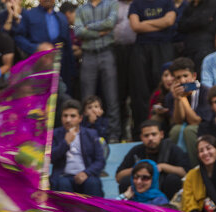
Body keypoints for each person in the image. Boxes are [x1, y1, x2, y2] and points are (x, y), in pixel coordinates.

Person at [128, 0, 176, 140]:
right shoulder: (136, 4)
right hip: (141, 50)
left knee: (163, 88)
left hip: (163, 47)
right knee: (140, 92)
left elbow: (169, 21)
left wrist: (145, 24)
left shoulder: (167, 2)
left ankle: (163, 132)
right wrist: (159, 23)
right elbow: (135, 26)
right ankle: (142, 133)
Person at [74, 0, 121, 142]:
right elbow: (78, 31)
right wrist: (101, 32)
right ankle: (86, 132)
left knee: (112, 96)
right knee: (86, 97)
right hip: (88, 55)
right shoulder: (81, 9)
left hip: (107, 52)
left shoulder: (112, 4)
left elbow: (110, 23)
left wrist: (89, 28)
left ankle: (114, 135)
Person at [116, 119, 190, 199]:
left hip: (165, 192)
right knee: (125, 181)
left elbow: (185, 173)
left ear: (161, 134)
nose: (150, 138)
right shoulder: (136, 150)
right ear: (141, 137)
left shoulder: (172, 149)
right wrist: (138, 169)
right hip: (140, 194)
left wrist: (163, 167)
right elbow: (119, 177)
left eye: (154, 134)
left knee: (173, 180)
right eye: (146, 135)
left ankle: (170, 209)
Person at [14, 0, 76, 89]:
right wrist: (36, 48)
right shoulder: (29, 15)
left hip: (60, 70)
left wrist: (72, 71)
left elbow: (68, 46)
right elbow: (18, 38)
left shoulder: (62, 18)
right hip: (38, 68)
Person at [50, 99, 105, 196]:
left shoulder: (91, 134)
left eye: (72, 116)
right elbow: (51, 158)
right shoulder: (55, 134)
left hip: (86, 175)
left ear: (80, 118)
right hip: (63, 176)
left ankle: (94, 211)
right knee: (63, 184)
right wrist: (65, 143)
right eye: (65, 116)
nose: (68, 120)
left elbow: (100, 160)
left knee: (93, 183)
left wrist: (86, 173)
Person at [164, 57, 213, 166]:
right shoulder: (171, 96)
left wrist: (183, 98)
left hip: (206, 128)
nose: (182, 81)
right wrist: (177, 99)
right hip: (184, 127)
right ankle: (178, 166)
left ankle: (196, 167)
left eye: (185, 76)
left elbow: (196, 121)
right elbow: (178, 121)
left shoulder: (205, 92)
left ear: (194, 76)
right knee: (175, 130)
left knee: (190, 130)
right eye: (178, 77)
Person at [113, 0, 136, 141]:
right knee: (118, 94)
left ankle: (137, 131)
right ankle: (119, 133)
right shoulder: (111, 5)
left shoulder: (139, 4)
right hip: (115, 52)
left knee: (137, 93)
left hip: (136, 51)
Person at [177, 0, 216, 73]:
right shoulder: (189, 6)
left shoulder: (212, 3)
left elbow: (203, 21)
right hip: (189, 47)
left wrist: (189, 22)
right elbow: (180, 26)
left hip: (205, 46)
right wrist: (197, 20)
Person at [149, 62, 175, 133]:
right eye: (165, 75)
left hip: (177, 122)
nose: (168, 79)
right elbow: (150, 113)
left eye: (172, 75)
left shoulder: (183, 91)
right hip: (163, 123)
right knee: (155, 118)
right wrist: (156, 110)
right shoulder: (157, 94)